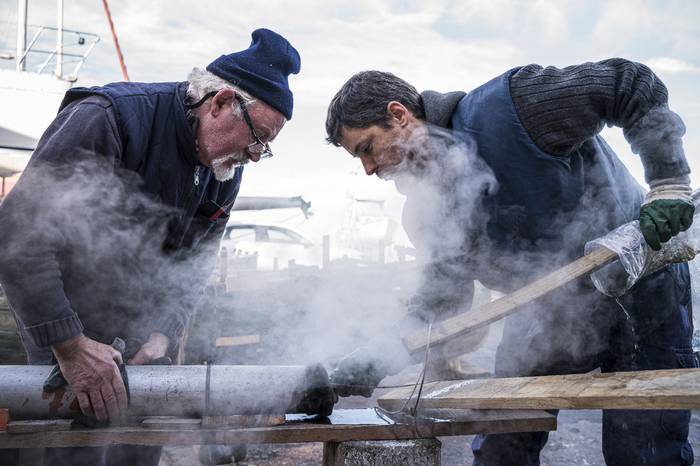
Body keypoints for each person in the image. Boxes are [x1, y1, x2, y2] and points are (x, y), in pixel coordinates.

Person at [325, 59, 697, 465]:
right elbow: (442, 301)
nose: (368, 169)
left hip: (640, 290)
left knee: (644, 454)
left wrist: (669, 183)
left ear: (399, 116)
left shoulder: (514, 108)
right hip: (543, 312)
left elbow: (628, 82)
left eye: (366, 148)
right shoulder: (427, 211)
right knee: (503, 447)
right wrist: (384, 352)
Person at [0, 28, 300, 466]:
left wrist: (165, 330)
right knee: (66, 449)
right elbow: (20, 232)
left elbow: (196, 260)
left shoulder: (224, 170)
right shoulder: (109, 119)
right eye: (258, 139)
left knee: (139, 448)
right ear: (219, 103)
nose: (255, 156)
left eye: (266, 148)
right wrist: (68, 344)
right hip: (63, 315)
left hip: (143, 327)